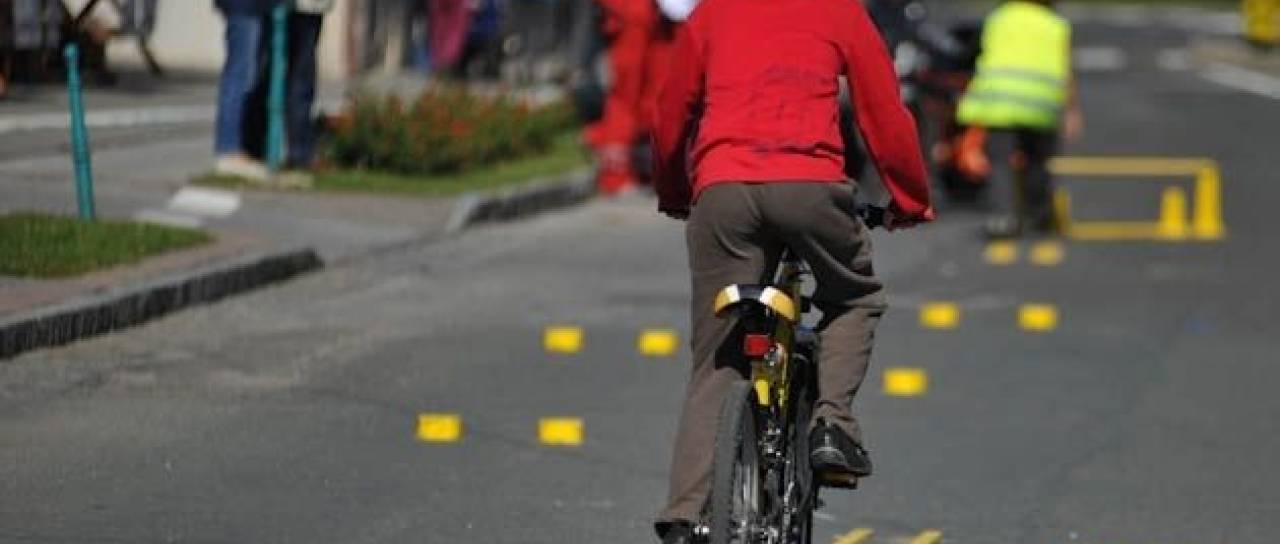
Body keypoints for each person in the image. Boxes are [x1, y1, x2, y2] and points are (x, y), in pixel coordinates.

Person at [649, 0, 934, 540]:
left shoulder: (712, 13)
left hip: (724, 191)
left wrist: (674, 190)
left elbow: (670, 110)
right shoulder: (839, 12)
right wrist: (910, 198)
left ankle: (685, 515)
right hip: (810, 188)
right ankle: (832, 425)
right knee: (855, 297)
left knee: (718, 355)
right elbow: (882, 111)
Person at [955, 0, 1083, 238]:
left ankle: (1002, 219)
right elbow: (1066, 71)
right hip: (1041, 103)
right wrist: (1072, 111)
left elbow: (974, 55)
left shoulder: (999, 18)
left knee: (1001, 163)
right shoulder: (1055, 24)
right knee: (1038, 162)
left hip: (1000, 102)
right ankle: (1039, 215)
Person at [213, 0, 281, 181]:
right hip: (245, 6)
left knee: (247, 74)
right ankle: (228, 149)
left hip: (255, 7)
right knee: (239, 74)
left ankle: (238, 148)